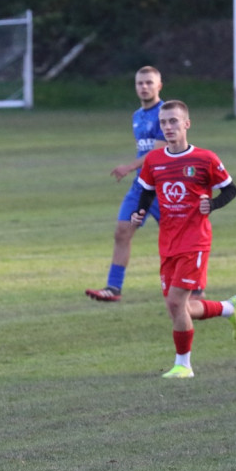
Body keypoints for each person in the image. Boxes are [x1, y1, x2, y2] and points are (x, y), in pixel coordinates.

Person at [131, 100, 236, 378]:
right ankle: (228, 308)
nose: (168, 126)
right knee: (179, 308)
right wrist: (139, 213)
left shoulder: (205, 159)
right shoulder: (154, 160)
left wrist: (212, 205)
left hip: (195, 241)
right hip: (167, 242)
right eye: (164, 122)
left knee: (174, 303)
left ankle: (184, 365)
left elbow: (230, 189)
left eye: (173, 121)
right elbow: (146, 191)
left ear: (186, 124)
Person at [86, 66, 166, 302]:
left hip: (165, 188)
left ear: (159, 86)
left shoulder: (166, 113)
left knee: (174, 239)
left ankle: (191, 286)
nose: (144, 87)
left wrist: (129, 166)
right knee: (122, 232)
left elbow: (159, 152)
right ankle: (113, 288)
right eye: (140, 83)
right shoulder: (137, 116)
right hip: (141, 187)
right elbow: (145, 149)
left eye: (149, 83)